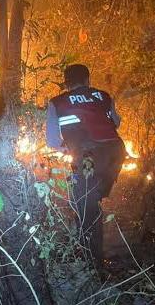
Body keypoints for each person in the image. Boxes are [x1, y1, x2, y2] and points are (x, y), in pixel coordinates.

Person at [46, 64, 126, 268]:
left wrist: (71, 150)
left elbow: (53, 141)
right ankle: (92, 239)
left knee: (86, 205)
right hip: (116, 154)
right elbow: (115, 123)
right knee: (93, 194)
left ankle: (93, 263)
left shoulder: (57, 102)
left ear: (66, 83)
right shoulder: (104, 96)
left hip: (89, 157)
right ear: (88, 80)